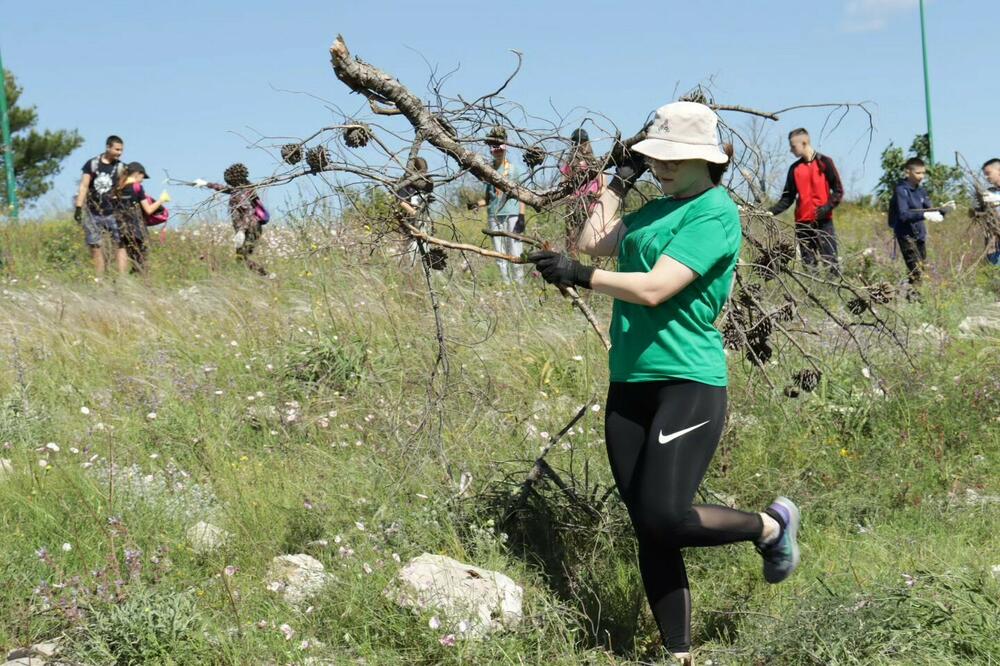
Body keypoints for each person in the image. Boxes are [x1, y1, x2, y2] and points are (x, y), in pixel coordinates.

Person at [527, 101, 800, 665]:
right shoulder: (654, 209)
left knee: (664, 515)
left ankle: (770, 527)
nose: (664, 167)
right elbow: (594, 239)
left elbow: (656, 287)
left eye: (675, 159)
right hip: (629, 381)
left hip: (687, 382)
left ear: (710, 159)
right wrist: (620, 181)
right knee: (649, 528)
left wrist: (580, 277)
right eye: (655, 158)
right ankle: (680, 654)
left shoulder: (714, 213)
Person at [769, 128, 844, 274]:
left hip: (824, 223)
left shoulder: (825, 163)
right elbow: (787, 198)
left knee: (831, 264)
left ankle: (833, 293)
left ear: (804, 142)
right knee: (809, 267)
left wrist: (826, 208)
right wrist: (769, 212)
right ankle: (812, 294)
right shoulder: (794, 169)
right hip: (803, 225)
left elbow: (838, 190)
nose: (791, 150)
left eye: (793, 146)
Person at [887, 157, 954, 291]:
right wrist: (924, 215)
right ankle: (917, 299)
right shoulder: (901, 190)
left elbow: (929, 209)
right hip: (906, 235)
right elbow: (903, 215)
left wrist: (943, 210)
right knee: (916, 269)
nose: (921, 176)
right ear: (908, 172)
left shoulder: (921, 191)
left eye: (923, 173)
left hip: (920, 234)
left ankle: (913, 296)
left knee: (921, 267)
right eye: (918, 173)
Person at [474, 132, 526, 284]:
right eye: (493, 148)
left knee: (515, 251)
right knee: (499, 253)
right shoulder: (487, 171)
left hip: (512, 215)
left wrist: (522, 217)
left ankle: (520, 286)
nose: (497, 151)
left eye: (500, 147)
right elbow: (489, 197)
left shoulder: (514, 170)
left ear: (506, 148)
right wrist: (477, 204)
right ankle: (506, 285)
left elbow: (522, 194)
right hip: (494, 216)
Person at [199, 163, 268, 276]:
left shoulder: (241, 193)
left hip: (249, 229)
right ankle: (263, 277)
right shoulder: (241, 189)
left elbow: (248, 212)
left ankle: (266, 276)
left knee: (242, 258)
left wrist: (242, 230)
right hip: (251, 228)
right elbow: (224, 189)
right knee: (243, 257)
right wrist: (206, 184)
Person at [74, 135, 128, 275]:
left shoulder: (121, 167)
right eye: (117, 149)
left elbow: (126, 188)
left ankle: (122, 279)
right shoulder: (92, 164)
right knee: (95, 246)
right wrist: (79, 207)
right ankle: (99, 279)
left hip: (114, 213)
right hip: (93, 212)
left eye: (121, 150)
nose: (119, 153)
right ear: (108, 147)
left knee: (120, 244)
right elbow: (84, 186)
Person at [112, 162, 168, 273]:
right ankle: (139, 280)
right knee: (141, 260)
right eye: (143, 177)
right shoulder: (137, 187)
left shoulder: (118, 188)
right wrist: (162, 200)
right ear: (137, 173)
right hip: (136, 228)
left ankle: (122, 280)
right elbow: (148, 210)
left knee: (122, 250)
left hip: (120, 226)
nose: (142, 180)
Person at [560, 128, 603, 256]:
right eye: (576, 142)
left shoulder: (595, 163)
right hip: (574, 206)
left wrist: (594, 196)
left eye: (583, 142)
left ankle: (597, 267)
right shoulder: (570, 163)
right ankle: (572, 266)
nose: (580, 145)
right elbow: (564, 185)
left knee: (594, 239)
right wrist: (570, 198)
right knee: (571, 241)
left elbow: (602, 185)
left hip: (591, 205)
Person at [393, 156, 440, 269]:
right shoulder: (405, 182)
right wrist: (414, 213)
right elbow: (401, 202)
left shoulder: (423, 182)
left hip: (424, 220)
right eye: (421, 171)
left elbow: (423, 197)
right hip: (410, 221)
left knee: (425, 246)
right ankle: (409, 272)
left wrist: (428, 200)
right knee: (412, 248)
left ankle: (425, 272)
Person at [978, 158, 1000, 265]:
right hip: (994, 242)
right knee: (994, 272)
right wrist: (976, 206)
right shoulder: (989, 193)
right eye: (984, 175)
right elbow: (975, 214)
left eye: (988, 173)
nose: (986, 177)